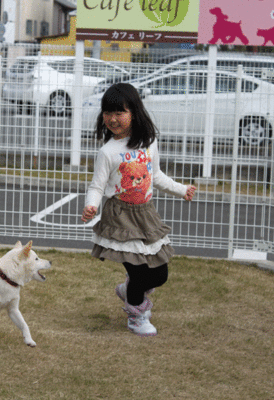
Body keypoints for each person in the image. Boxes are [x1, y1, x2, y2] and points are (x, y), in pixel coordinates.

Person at [81, 83, 197, 337]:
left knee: (159, 274)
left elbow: (155, 176)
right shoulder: (107, 152)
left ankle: (127, 292)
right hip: (120, 218)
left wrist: (181, 188)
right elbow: (97, 186)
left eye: (119, 112)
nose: (112, 119)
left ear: (134, 111)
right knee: (137, 271)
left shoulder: (149, 142)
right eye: (107, 113)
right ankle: (136, 316)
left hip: (146, 214)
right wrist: (91, 205)